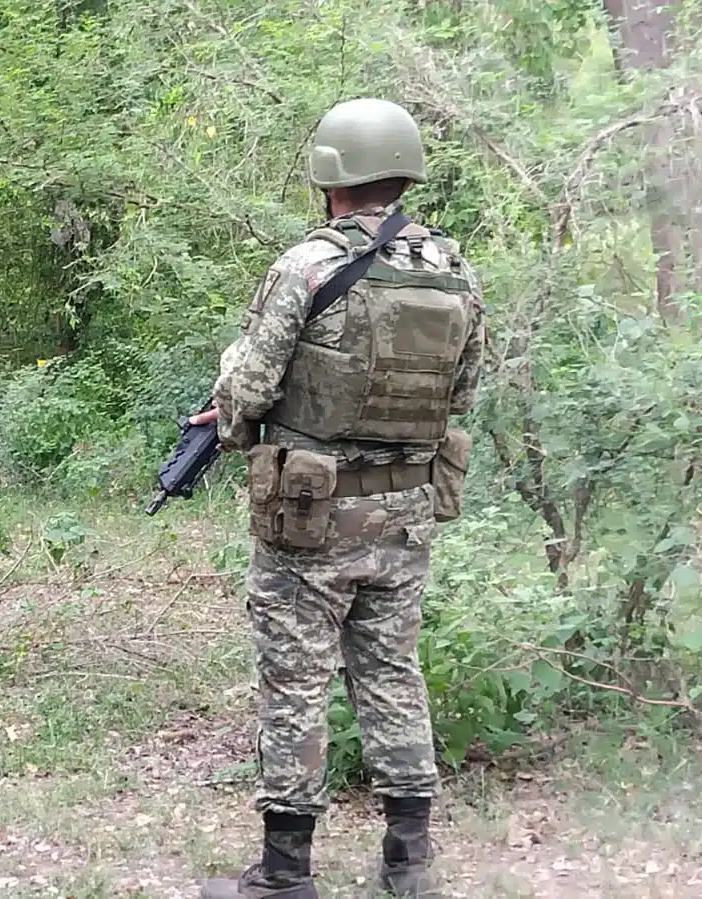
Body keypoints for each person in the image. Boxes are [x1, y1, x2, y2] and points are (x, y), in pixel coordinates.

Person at [197, 97, 486, 899]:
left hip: (310, 515)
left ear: (330, 178)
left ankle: (284, 874)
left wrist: (231, 411)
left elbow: (249, 384)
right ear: (402, 172)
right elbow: (460, 391)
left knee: (294, 681)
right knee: (392, 672)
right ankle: (409, 861)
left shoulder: (307, 265)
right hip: (406, 509)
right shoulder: (455, 270)